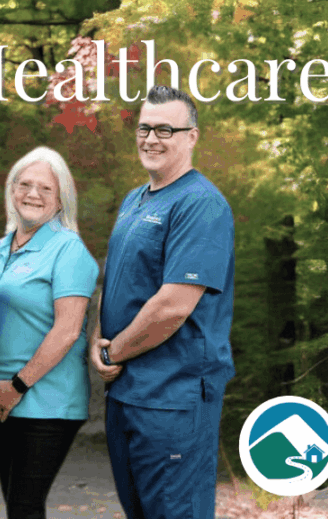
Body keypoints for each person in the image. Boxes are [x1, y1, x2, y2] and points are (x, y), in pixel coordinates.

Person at [91, 85, 235, 519]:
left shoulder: (201, 204)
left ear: (192, 136)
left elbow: (172, 306)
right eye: (145, 128)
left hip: (174, 398)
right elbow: (116, 283)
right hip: (128, 393)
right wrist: (96, 342)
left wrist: (113, 351)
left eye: (166, 130)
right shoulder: (134, 200)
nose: (151, 139)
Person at [0, 147, 99, 519]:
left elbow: (67, 330)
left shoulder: (68, 251)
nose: (33, 194)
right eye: (25, 184)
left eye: (46, 188)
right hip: (0, 395)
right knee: (18, 507)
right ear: (12, 191)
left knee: (25, 507)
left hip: (47, 399)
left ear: (61, 200)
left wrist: (18, 385)